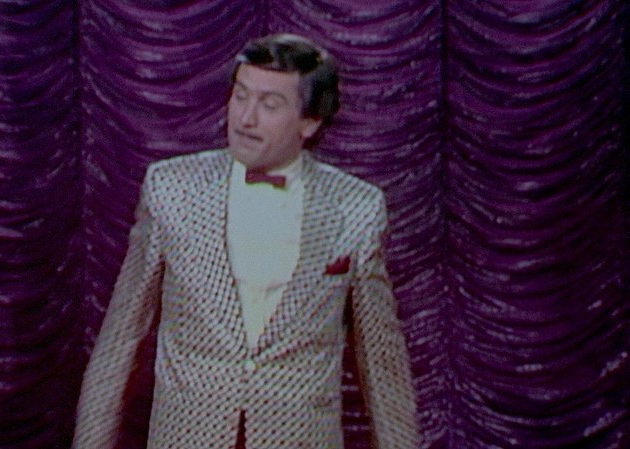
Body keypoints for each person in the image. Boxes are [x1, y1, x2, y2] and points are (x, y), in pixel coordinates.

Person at [73, 33, 419, 449]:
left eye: (269, 105)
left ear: (310, 122)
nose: (245, 118)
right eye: (240, 96)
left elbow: (381, 362)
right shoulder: (171, 189)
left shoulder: (356, 208)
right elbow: (120, 341)